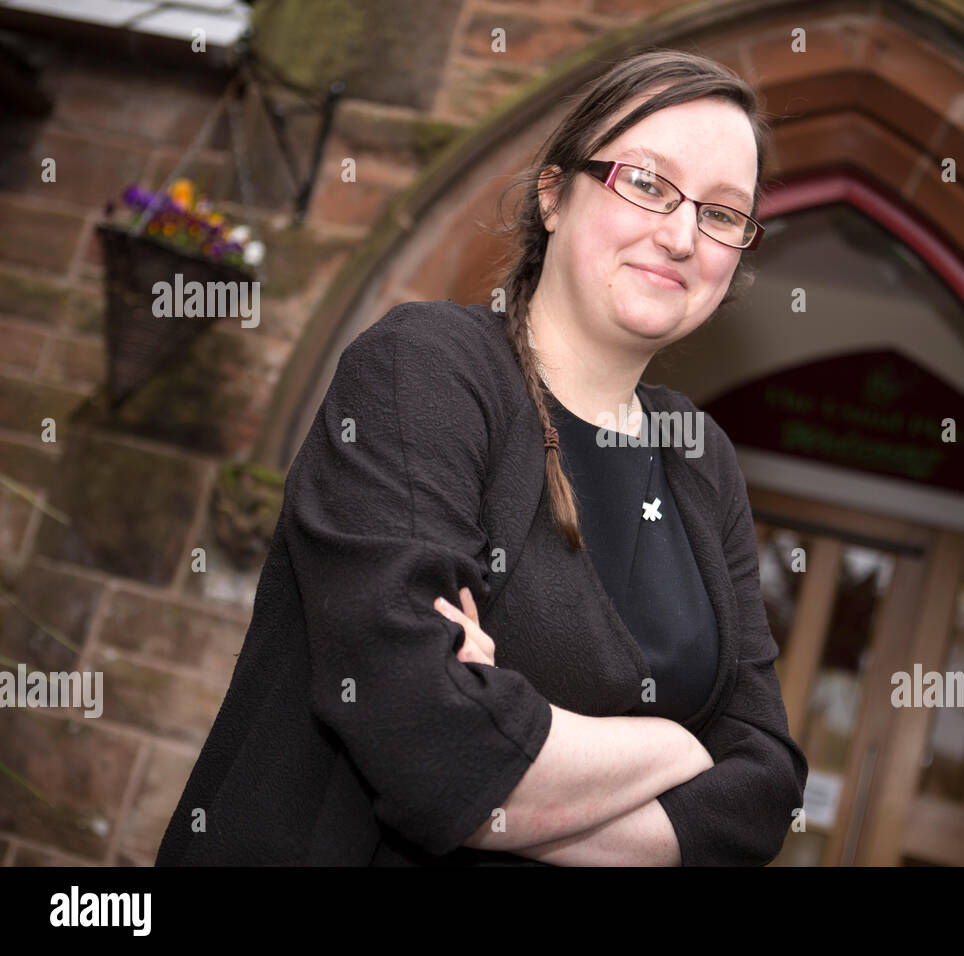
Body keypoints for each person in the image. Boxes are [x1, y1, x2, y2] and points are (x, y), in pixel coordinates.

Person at [155, 47, 807, 867]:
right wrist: (678, 750)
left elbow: (766, 785)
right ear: (554, 195)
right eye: (646, 182)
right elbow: (425, 739)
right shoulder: (425, 367)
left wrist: (523, 753)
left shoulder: (700, 458)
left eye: (722, 213)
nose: (680, 235)